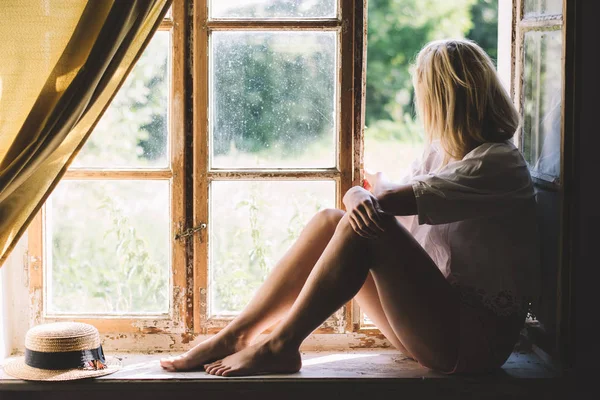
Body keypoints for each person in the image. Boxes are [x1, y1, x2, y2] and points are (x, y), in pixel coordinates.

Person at [160, 38, 540, 376]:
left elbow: (388, 202)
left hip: (469, 345)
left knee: (360, 223)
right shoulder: (441, 153)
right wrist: (364, 194)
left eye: (422, 93)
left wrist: (356, 194)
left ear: (442, 99)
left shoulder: (497, 163)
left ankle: (281, 345)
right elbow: (397, 197)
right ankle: (237, 335)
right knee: (331, 221)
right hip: (430, 327)